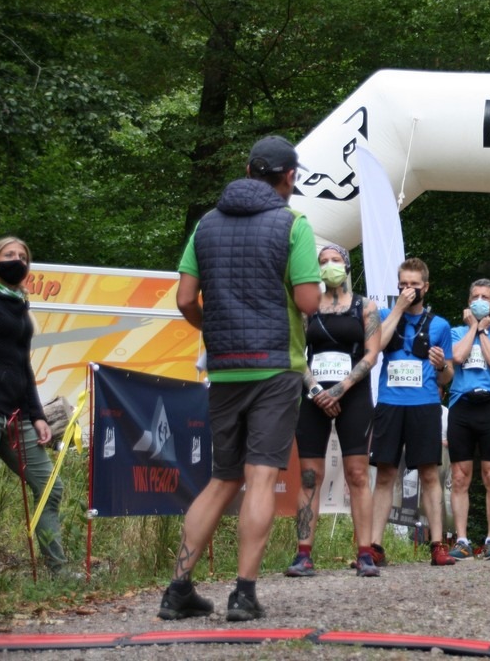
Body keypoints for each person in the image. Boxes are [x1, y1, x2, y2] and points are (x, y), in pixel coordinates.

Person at [159, 136, 321, 621]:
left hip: (226, 366)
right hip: (275, 367)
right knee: (260, 477)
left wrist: (217, 329)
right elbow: (310, 302)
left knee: (221, 478)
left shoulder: (206, 224)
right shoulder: (293, 223)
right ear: (289, 176)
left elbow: (186, 298)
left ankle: (177, 589)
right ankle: (244, 593)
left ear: (248, 169)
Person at [286, 244, 382, 579]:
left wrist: (340, 389)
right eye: (323, 261)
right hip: (313, 396)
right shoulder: (307, 307)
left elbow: (371, 355)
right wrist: (316, 391)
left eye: (335, 260)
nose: (329, 266)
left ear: (347, 265)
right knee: (310, 476)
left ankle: (366, 553)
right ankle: (303, 554)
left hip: (353, 395)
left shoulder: (365, 307)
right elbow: (297, 352)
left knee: (357, 474)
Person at [370, 257, 456, 566]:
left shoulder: (441, 325)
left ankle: (437, 544)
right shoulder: (383, 314)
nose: (409, 290)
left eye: (414, 285)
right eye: (403, 285)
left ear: (426, 287)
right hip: (390, 403)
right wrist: (397, 309)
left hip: (425, 405)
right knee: (385, 474)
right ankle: (375, 547)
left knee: (430, 473)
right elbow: (375, 346)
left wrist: (441, 365)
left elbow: (448, 377)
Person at [0, 236, 69, 575]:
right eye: (8, 254)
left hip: (16, 414)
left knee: (49, 486)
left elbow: (23, 364)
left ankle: (58, 572)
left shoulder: (20, 304)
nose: (16, 260)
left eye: (22, 256)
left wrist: (37, 415)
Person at [446, 279, 490, 562]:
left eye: (485, 297)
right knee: (460, 475)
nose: (480, 300)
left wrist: (484, 332)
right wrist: (474, 327)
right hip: (461, 405)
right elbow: (458, 357)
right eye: (475, 296)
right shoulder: (455, 332)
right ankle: (462, 540)